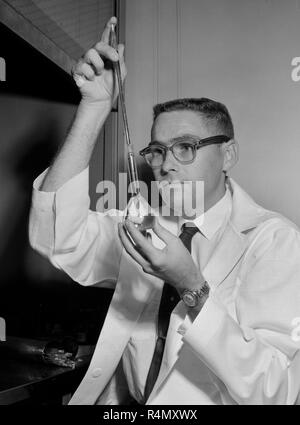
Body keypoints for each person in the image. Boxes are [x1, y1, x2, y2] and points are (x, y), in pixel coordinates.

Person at [29, 16, 300, 405]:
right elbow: (55, 237)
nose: (166, 164)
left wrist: (191, 285)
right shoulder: (142, 220)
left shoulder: (275, 243)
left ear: (228, 155)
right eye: (157, 150)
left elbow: (274, 391)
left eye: (186, 146)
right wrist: (94, 106)